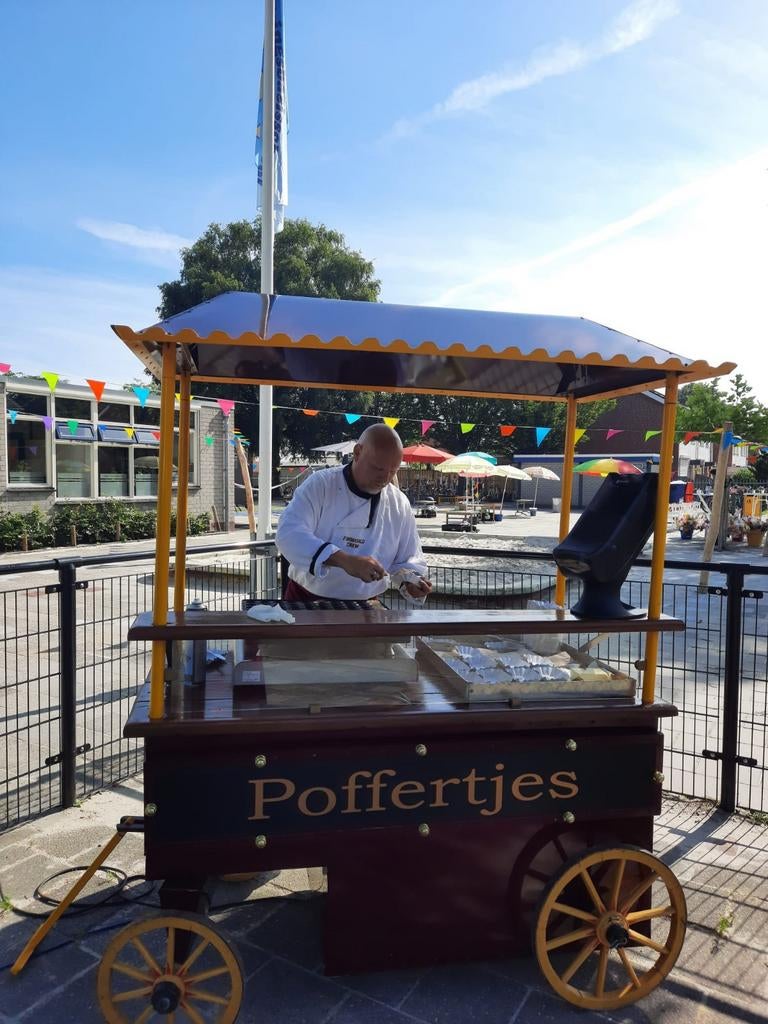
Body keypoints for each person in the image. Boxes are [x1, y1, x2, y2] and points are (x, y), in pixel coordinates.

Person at [276, 424, 432, 603]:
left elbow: (408, 559)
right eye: (378, 468)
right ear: (358, 453)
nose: (385, 478)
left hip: (367, 605)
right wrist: (344, 560)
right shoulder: (320, 485)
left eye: (393, 471)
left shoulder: (399, 503)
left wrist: (411, 582)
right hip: (306, 599)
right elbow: (288, 534)